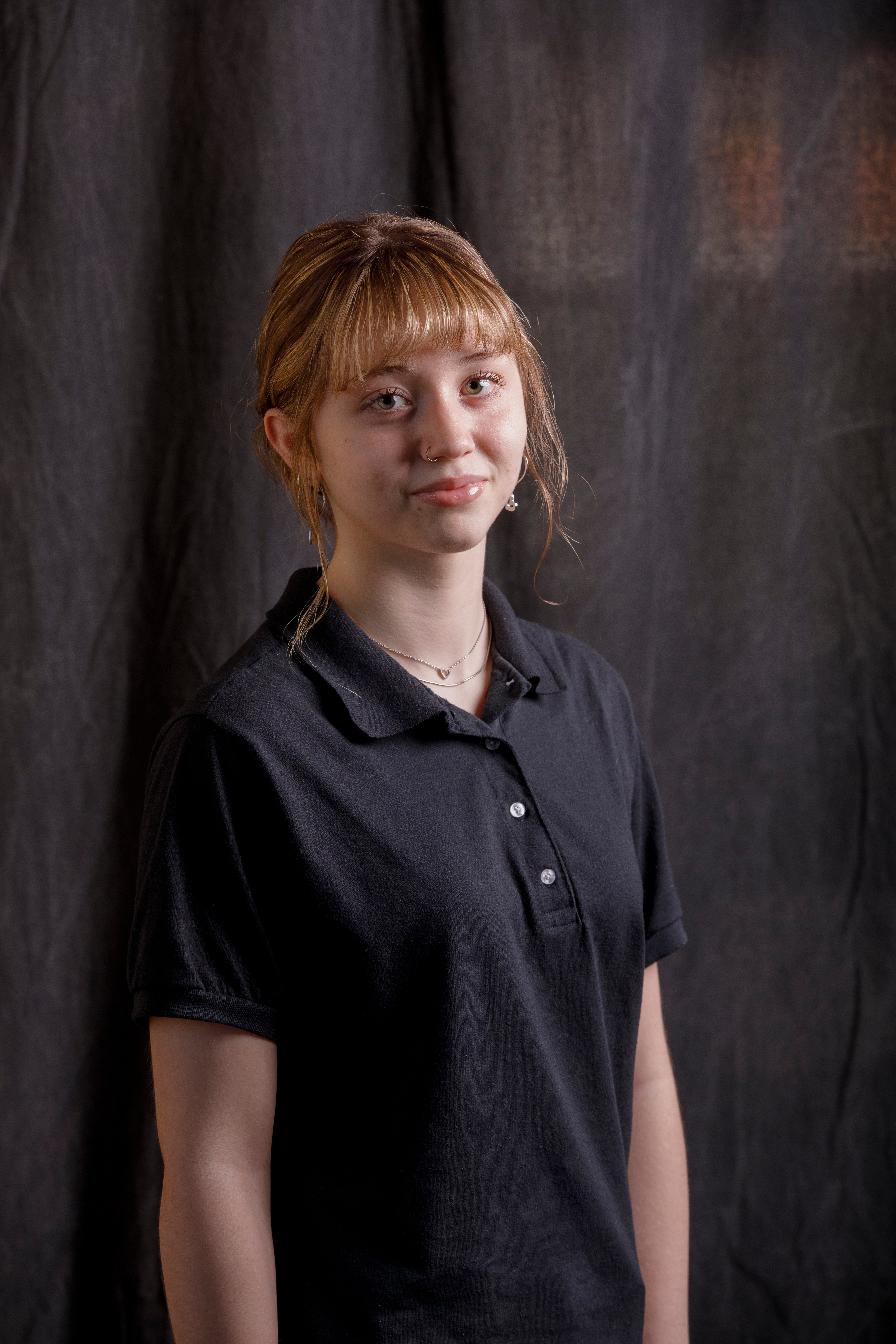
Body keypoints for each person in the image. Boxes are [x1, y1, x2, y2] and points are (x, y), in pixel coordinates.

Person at [127, 211, 690, 1344]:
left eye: (479, 382)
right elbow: (215, 1164)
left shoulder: (589, 703)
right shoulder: (244, 749)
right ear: (293, 440)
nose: (448, 434)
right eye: (386, 399)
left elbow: (639, 1084)